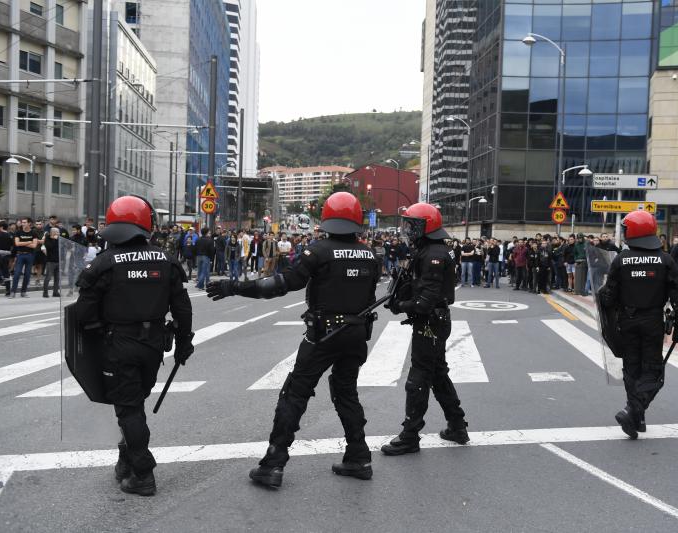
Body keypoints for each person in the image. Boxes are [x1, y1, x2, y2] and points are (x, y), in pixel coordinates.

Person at [207, 192, 379, 488]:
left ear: (327, 219)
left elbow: (280, 284)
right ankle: (359, 457)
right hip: (356, 334)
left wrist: (235, 287)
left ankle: (273, 464)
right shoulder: (370, 255)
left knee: (295, 393)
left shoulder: (319, 251)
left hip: (324, 334)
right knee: (346, 392)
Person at [76, 196, 194, 496]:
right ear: (147, 225)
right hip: (154, 345)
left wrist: (100, 332)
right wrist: (183, 343)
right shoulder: (166, 261)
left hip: (120, 343)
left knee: (129, 410)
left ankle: (143, 473)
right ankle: (126, 461)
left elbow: (84, 313)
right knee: (136, 403)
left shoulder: (104, 263)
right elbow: (182, 309)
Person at [381, 203, 469, 456]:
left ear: (425, 226)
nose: (408, 229)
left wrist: (399, 305)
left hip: (431, 321)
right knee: (438, 374)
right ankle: (457, 426)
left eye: (412, 224)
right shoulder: (433, 249)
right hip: (435, 320)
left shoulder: (434, 254)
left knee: (418, 379)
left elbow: (425, 301)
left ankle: (410, 435)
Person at [599, 211, 678, 439]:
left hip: (627, 321)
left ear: (635, 231)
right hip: (653, 321)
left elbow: (608, 298)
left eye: (626, 229)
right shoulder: (666, 259)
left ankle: (635, 414)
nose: (625, 233)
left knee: (632, 368)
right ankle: (635, 413)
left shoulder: (621, 260)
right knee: (653, 372)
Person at [10, 217, 38, 298]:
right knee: (17, 273)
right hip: (20, 255)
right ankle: (13, 292)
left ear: (29, 223)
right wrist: (29, 242)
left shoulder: (33, 233)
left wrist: (23, 243)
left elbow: (34, 245)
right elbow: (17, 244)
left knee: (27, 274)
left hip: (30, 255)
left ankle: (23, 291)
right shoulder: (18, 232)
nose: (23, 224)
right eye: (22, 222)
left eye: (25, 222)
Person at [42, 227, 61, 297]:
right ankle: (45, 292)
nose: (59, 233)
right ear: (53, 233)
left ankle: (55, 292)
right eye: (57, 232)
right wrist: (54, 239)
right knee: (48, 277)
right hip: (50, 261)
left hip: (58, 260)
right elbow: (49, 247)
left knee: (57, 278)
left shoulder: (59, 239)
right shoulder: (47, 238)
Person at [0, 221, 12, 297]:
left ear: (1, 227)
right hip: (7, 256)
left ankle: (0, 280)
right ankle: (8, 291)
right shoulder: (10, 235)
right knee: (6, 273)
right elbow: (13, 247)